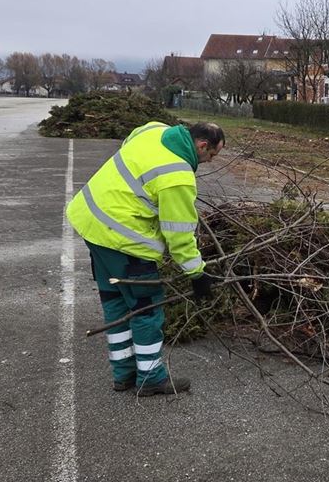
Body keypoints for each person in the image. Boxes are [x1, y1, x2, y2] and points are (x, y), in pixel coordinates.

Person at [66, 120, 225, 394]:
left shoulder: (154, 130)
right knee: (146, 309)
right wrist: (197, 273)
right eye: (212, 154)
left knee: (115, 302)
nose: (210, 161)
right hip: (123, 239)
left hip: (91, 222)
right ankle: (151, 377)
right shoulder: (177, 175)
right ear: (201, 145)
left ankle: (123, 373)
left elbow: (131, 141)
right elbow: (179, 235)